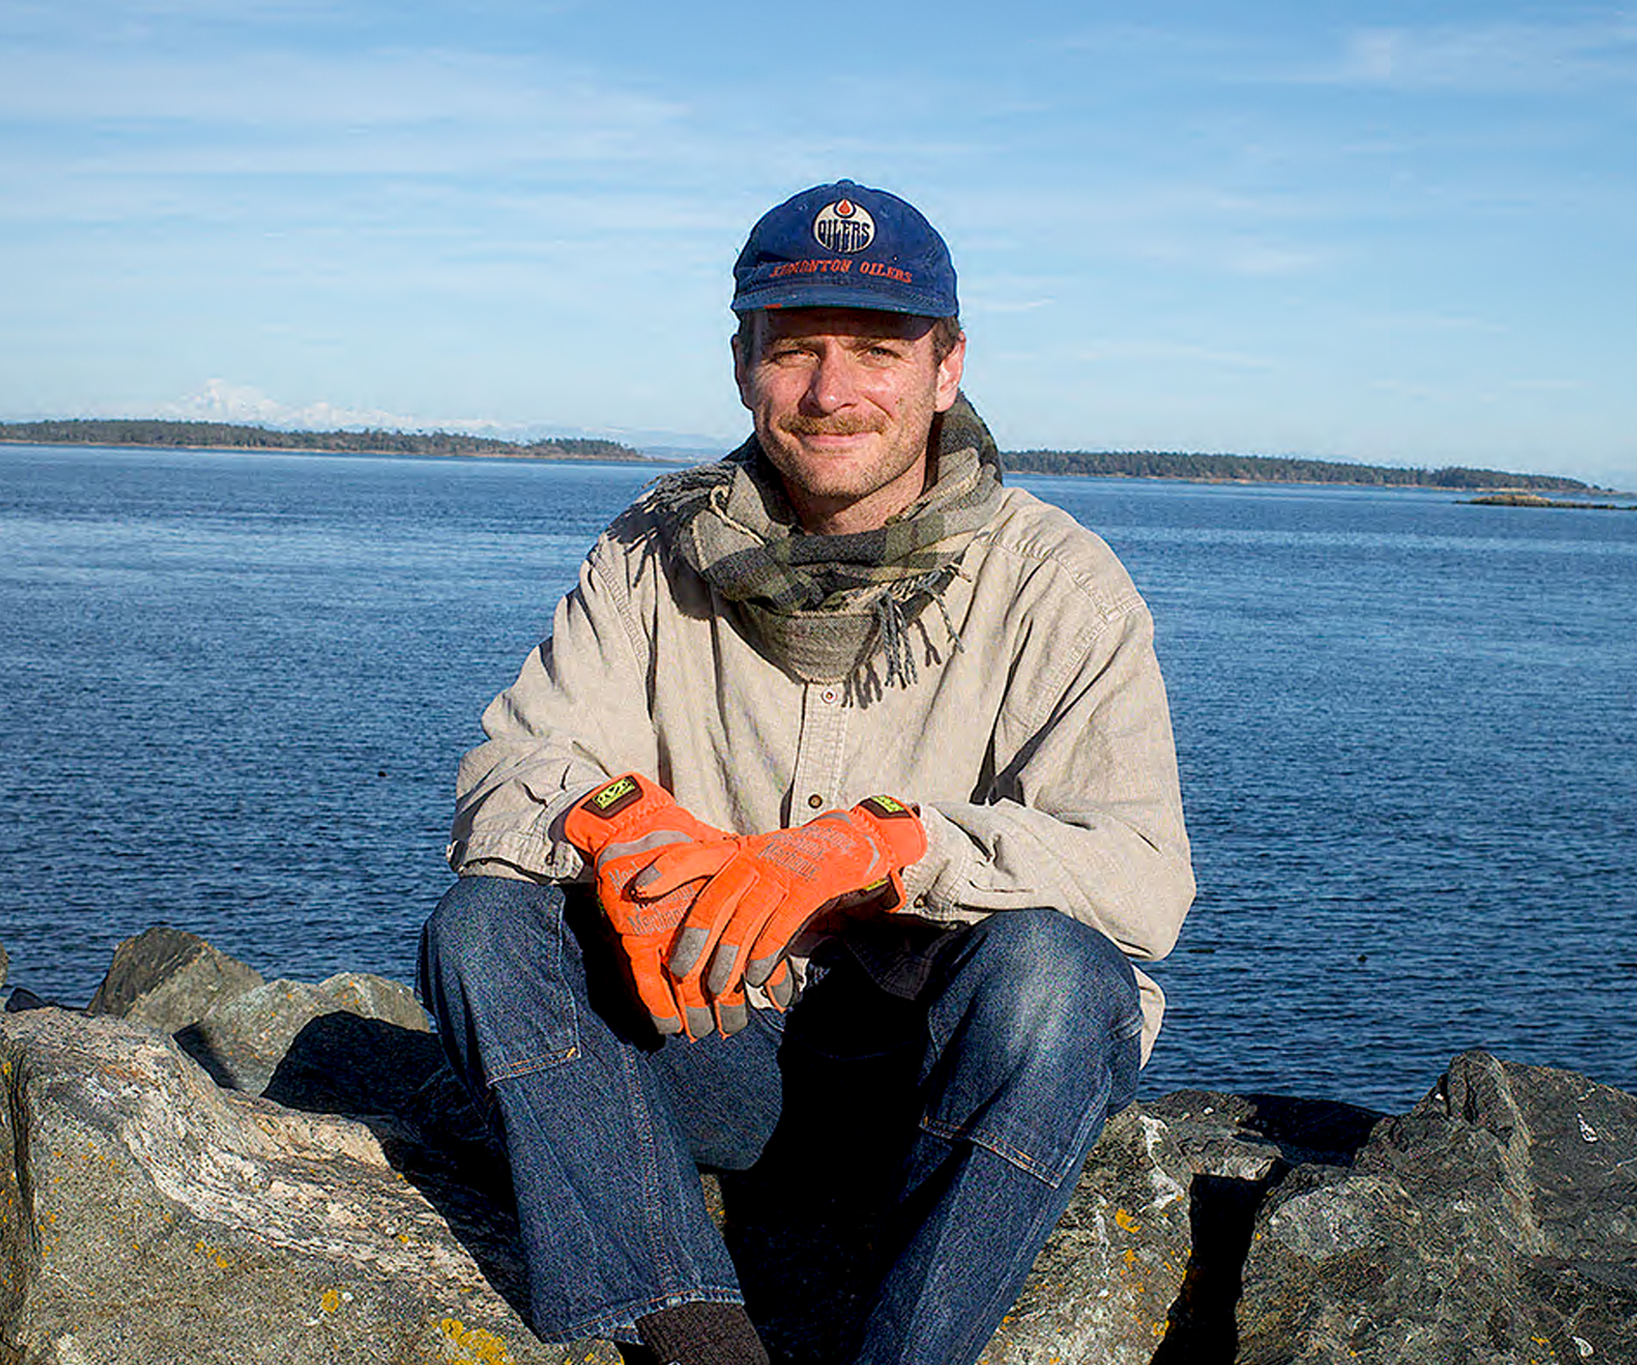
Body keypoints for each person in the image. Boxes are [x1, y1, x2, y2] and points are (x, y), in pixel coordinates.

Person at [421, 179, 1193, 1365]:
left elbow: (1140, 877)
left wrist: (891, 846)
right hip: (713, 1038)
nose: (832, 393)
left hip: (948, 1074)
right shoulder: (648, 552)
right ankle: (699, 1339)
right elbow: (511, 766)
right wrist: (611, 822)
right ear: (742, 364)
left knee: (1055, 976)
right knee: (485, 927)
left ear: (945, 367)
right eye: (794, 350)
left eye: (877, 350)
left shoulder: (1058, 582)